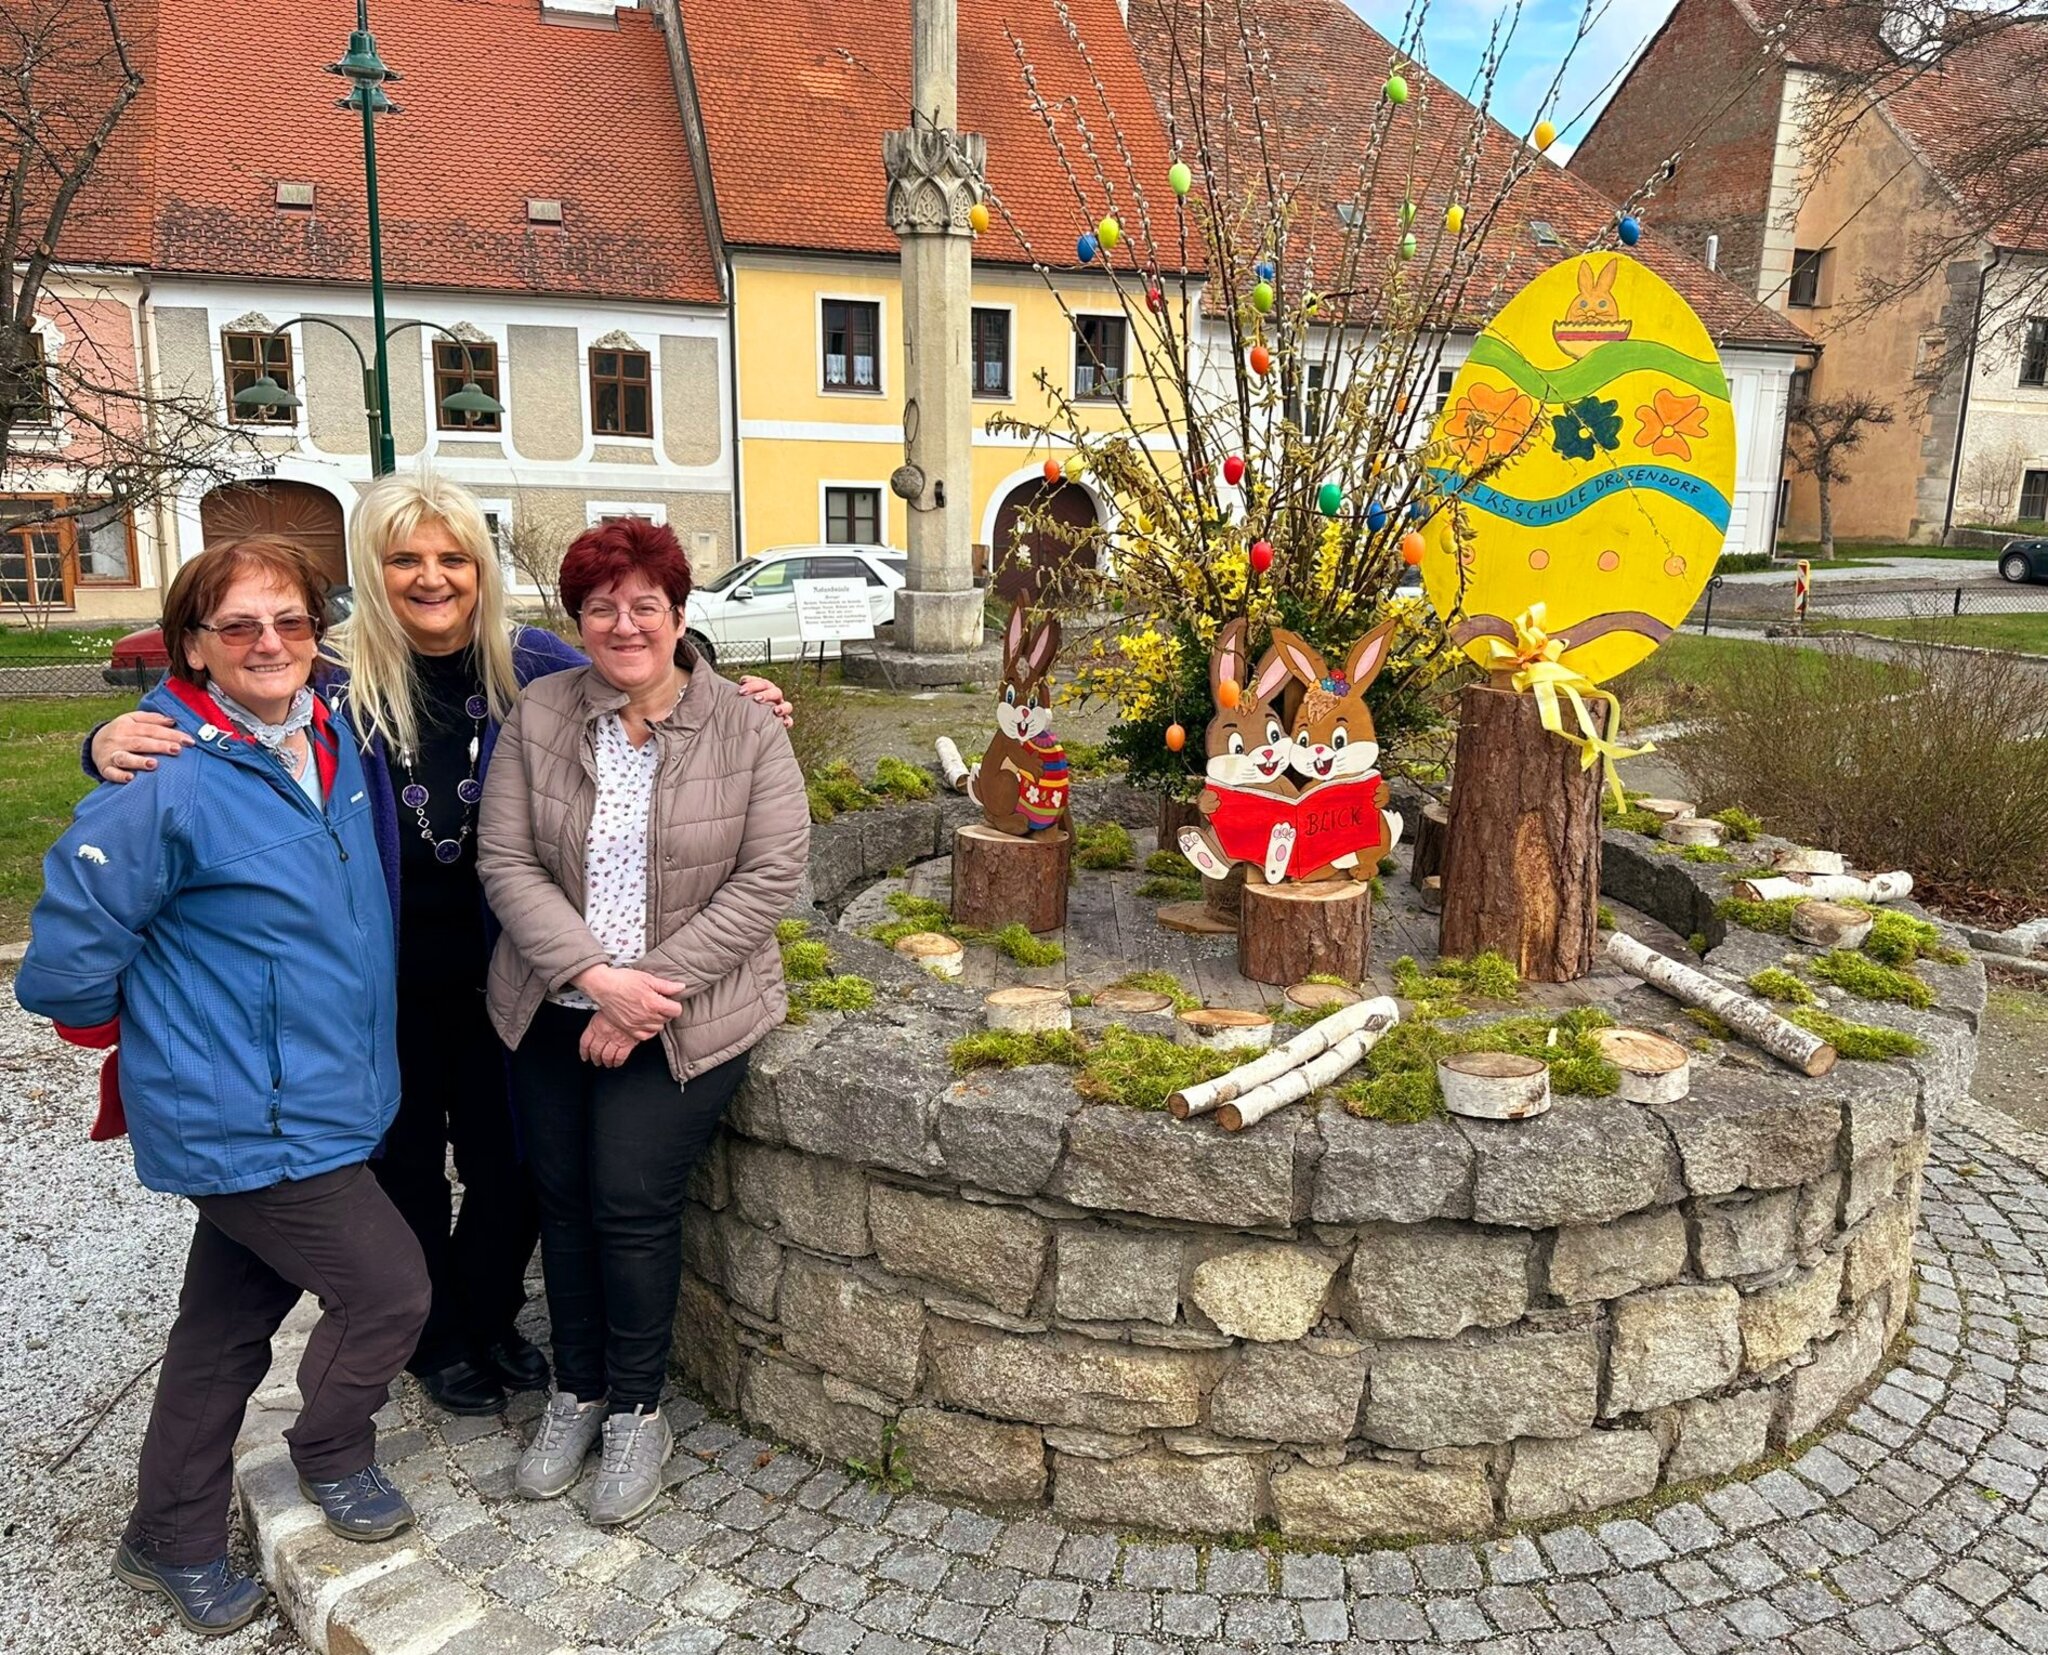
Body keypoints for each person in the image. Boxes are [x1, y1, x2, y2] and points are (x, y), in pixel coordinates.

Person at [87, 474, 791, 1418]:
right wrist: (101, 739)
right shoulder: (330, 683)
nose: (433, 577)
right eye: (407, 559)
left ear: (480, 567)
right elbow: (209, 716)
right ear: (375, 574)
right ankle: (438, 1337)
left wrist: (739, 695)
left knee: (515, 1168)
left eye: (453, 557)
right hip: (377, 979)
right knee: (405, 1163)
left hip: (516, 965)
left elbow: (640, 659)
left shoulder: (530, 661)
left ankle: (492, 1311)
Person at [17, 537, 430, 1637]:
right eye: (237, 625)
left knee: (224, 1323)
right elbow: (62, 961)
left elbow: (485, 657)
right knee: (389, 1290)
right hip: (246, 1113)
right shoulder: (165, 773)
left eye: (290, 621)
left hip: (325, 1096)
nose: (269, 644)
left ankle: (171, 1528)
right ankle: (330, 1449)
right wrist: (160, 1036)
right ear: (192, 643)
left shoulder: (327, 728)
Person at [478, 516, 807, 1527]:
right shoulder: (541, 713)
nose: (623, 623)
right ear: (576, 618)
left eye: (643, 605)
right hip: (549, 1002)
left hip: (686, 1012)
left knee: (626, 1199)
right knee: (561, 1197)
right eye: (600, 606)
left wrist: (640, 992)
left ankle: (635, 1408)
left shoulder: (746, 727)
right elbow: (505, 860)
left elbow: (768, 878)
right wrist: (588, 973)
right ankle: (574, 1392)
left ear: (677, 612)